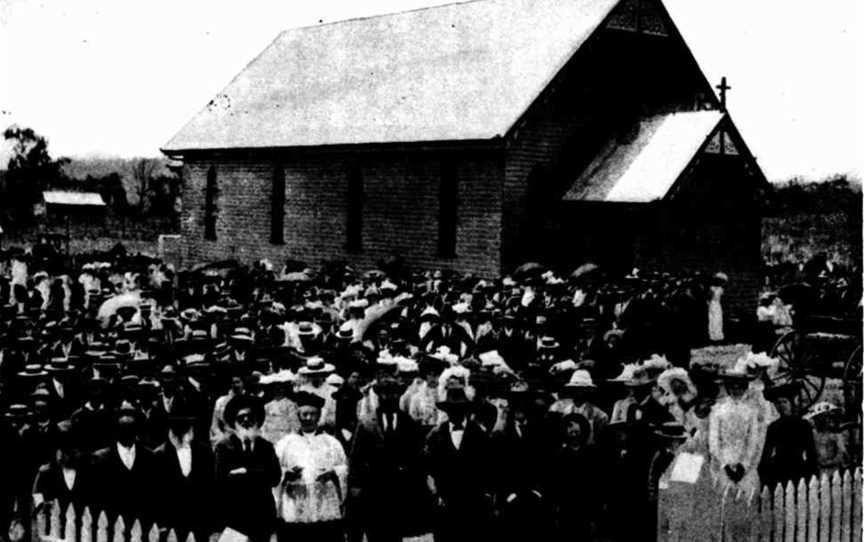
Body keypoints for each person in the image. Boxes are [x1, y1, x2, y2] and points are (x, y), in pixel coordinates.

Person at [349, 374, 432, 542]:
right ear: (378, 395)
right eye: (385, 393)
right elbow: (356, 457)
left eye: (394, 393)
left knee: (397, 534)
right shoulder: (367, 423)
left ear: (400, 395)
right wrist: (356, 485)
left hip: (400, 492)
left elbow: (417, 459)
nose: (389, 397)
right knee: (376, 533)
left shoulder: (409, 423)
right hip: (374, 491)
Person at [275, 391, 347, 542]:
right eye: (304, 414)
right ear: (298, 415)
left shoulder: (331, 442)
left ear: (319, 416)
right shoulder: (285, 443)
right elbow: (274, 470)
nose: (308, 418)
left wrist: (333, 473)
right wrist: (285, 473)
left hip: (324, 504)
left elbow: (344, 467)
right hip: (295, 505)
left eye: (312, 414)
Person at [424, 387, 493, 542]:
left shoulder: (479, 434)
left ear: (466, 410)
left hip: (473, 504)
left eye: (460, 409)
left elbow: (488, 467)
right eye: (452, 409)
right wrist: (435, 490)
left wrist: (485, 495)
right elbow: (428, 466)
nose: (455, 413)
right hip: (445, 503)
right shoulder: (436, 435)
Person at [214, 395, 280, 542]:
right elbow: (221, 479)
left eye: (250, 417)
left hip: (262, 516)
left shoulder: (266, 447)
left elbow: (274, 477)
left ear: (257, 420)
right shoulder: (224, 447)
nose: (246, 421)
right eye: (241, 417)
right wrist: (259, 475)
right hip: (234, 516)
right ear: (234, 421)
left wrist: (245, 472)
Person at [90, 403, 159, 527]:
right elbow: (96, 495)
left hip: (142, 525)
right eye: (123, 429)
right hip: (110, 524)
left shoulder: (150, 457)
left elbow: (154, 493)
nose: (127, 433)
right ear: (116, 431)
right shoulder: (100, 458)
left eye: (131, 430)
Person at [153, 409, 215, 541]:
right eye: (177, 428)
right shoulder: (159, 455)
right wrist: (161, 523)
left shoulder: (205, 452)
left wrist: (210, 521)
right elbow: (156, 492)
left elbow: (211, 487)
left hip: (199, 519)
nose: (182, 433)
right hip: (172, 522)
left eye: (185, 428)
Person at [544, 413, 602, 541]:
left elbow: (596, 486)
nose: (573, 431)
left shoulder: (592, 455)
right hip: (565, 510)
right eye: (569, 427)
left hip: (586, 509)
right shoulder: (558, 455)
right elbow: (553, 485)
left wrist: (595, 515)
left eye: (576, 427)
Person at [708, 367, 762, 497]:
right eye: (733, 386)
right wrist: (725, 465)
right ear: (727, 387)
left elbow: (752, 441)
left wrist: (744, 465)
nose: (736, 389)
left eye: (740, 386)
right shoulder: (717, 411)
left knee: (745, 500)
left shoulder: (750, 411)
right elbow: (713, 442)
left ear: (745, 387)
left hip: (744, 464)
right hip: (723, 462)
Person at [32, 420, 92, 515]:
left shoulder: (86, 472)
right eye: (66, 451)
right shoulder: (47, 472)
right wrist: (42, 504)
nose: (70, 455)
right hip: (54, 520)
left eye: (74, 451)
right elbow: (37, 493)